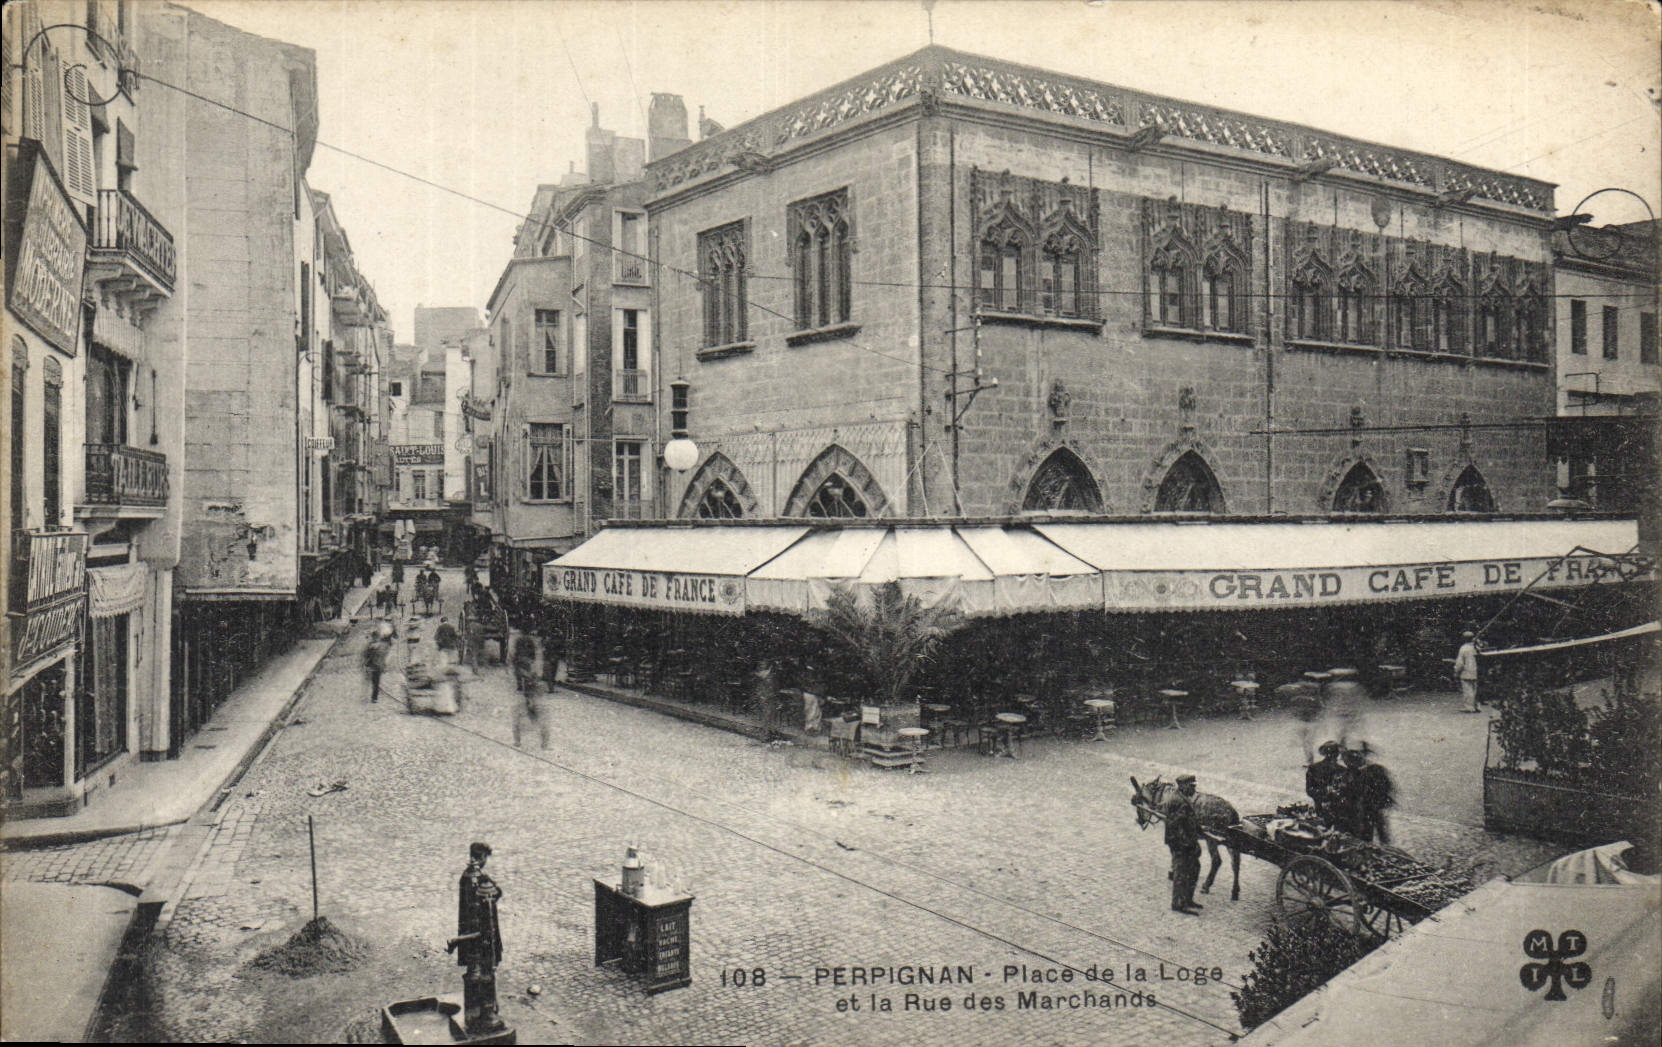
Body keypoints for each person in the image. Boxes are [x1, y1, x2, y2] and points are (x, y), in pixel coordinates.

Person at [447, 842, 505, 1035]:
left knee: (476, 971)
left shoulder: (468, 877)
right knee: (484, 973)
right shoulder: (477, 879)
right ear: (481, 858)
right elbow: (496, 893)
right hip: (481, 935)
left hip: (472, 931)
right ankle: (484, 1015)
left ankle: (475, 1012)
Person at [1164, 773, 1203, 915]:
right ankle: (1178, 904)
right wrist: (1189, 844)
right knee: (1181, 873)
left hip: (1187, 843)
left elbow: (1189, 821)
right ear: (1182, 786)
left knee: (1194, 869)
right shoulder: (1177, 801)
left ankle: (1187, 899)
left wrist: (1200, 831)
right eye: (1191, 786)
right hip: (1181, 845)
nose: (1194, 789)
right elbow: (1176, 826)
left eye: (1194, 786)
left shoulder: (1183, 798)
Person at [1347, 746, 1395, 844]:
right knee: (1382, 834)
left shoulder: (1358, 773)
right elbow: (1388, 786)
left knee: (1367, 834)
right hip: (1377, 806)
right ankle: (1386, 850)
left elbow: (1356, 793)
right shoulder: (1378, 769)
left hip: (1366, 808)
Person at [1304, 740, 1346, 826]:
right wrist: (1325, 793)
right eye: (1331, 753)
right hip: (1321, 808)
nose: (1333, 756)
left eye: (1335, 753)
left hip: (1339, 809)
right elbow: (1309, 790)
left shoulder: (1343, 770)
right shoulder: (1314, 768)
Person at [364, 619, 392, 703]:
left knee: (374, 681)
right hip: (376, 666)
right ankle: (374, 696)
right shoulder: (377, 646)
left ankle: (374, 696)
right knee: (375, 681)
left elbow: (368, 656)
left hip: (375, 666)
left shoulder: (373, 646)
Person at [1454, 631, 1481, 713]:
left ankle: (1469, 707)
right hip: (1476, 671)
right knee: (1475, 690)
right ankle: (1477, 706)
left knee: (1467, 690)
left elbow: (1460, 663)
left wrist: (1456, 671)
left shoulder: (1463, 648)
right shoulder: (1476, 647)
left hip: (1466, 671)